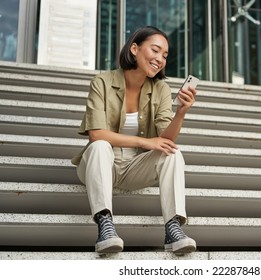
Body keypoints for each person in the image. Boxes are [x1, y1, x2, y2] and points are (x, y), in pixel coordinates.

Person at [71, 26, 197, 255]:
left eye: (165, 56)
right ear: (134, 48)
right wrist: (145, 142)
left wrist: (181, 112)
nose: (160, 59)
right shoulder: (102, 82)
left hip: (134, 168)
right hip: (99, 163)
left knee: (173, 152)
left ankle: (173, 227)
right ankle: (105, 225)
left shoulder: (160, 89)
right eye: (155, 50)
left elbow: (165, 140)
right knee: (100, 146)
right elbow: (96, 135)